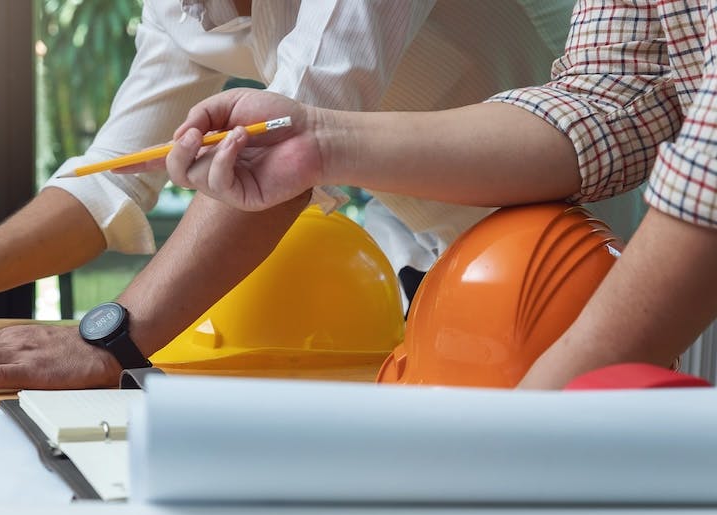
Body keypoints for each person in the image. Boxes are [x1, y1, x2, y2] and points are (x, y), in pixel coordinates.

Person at [0, 0, 573, 393]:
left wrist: (107, 342)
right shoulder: (183, 10)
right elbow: (112, 172)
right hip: (415, 262)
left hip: (550, 252)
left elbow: (286, 156)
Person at [155, 0, 717, 390]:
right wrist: (320, 141)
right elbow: (613, 96)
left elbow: (706, 172)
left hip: (645, 288)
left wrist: (533, 419)